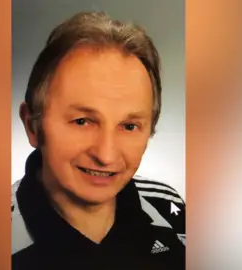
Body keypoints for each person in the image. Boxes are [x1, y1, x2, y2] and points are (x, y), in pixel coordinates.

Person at [11, 11, 185, 270]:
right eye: (82, 121)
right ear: (32, 125)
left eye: (129, 126)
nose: (106, 155)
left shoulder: (169, 209)